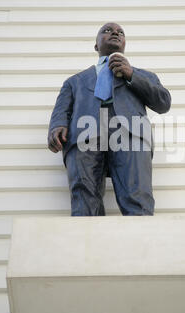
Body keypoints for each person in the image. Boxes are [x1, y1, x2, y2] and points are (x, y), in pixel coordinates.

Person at [47, 22, 171, 216]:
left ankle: (143, 242)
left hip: (130, 135)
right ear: (96, 45)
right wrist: (57, 126)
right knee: (84, 198)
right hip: (84, 136)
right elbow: (62, 109)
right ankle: (86, 242)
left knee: (137, 196)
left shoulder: (144, 75)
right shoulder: (75, 81)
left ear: (124, 44)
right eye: (107, 30)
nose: (115, 32)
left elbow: (163, 103)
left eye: (120, 32)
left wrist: (131, 75)